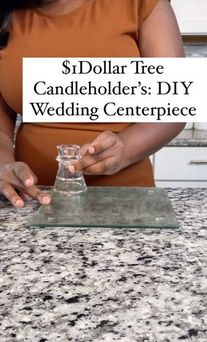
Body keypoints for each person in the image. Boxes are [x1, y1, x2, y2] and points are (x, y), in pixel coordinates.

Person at [0, 0, 185, 208]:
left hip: (124, 201)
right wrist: (4, 163)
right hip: (30, 201)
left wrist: (125, 148)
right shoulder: (7, 15)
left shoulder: (141, 4)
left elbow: (172, 110)